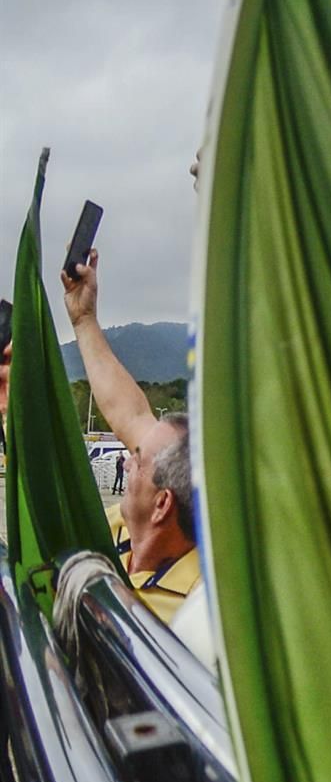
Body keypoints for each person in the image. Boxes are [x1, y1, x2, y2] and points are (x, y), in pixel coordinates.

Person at [61, 251, 214, 667]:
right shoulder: (115, 528)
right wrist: (84, 320)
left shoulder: (202, 611)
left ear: (163, 504)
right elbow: (129, 412)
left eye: (137, 459)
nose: (127, 460)